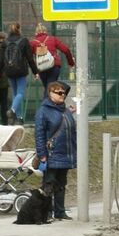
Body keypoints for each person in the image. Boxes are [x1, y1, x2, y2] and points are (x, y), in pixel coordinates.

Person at [34, 81, 75, 221]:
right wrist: (42, 155)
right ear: (50, 94)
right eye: (59, 93)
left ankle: (60, 211)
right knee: (49, 184)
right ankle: (47, 212)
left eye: (64, 93)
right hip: (51, 154)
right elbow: (39, 135)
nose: (63, 95)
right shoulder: (43, 111)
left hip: (65, 154)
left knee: (61, 184)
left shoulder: (65, 110)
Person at [2, 22, 40, 125]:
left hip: (9, 71)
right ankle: (13, 110)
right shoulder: (23, 41)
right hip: (20, 71)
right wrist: (35, 71)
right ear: (19, 29)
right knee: (20, 93)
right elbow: (29, 58)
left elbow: (2, 58)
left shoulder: (5, 42)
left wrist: (1, 71)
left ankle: (19, 118)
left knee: (15, 94)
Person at [32, 22, 73, 90]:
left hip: (42, 67)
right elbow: (66, 50)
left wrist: (35, 71)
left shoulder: (33, 43)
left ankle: (47, 99)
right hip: (54, 66)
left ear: (36, 33)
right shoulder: (53, 39)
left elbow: (29, 57)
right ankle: (47, 99)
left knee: (47, 88)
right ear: (46, 32)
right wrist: (71, 62)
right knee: (50, 88)